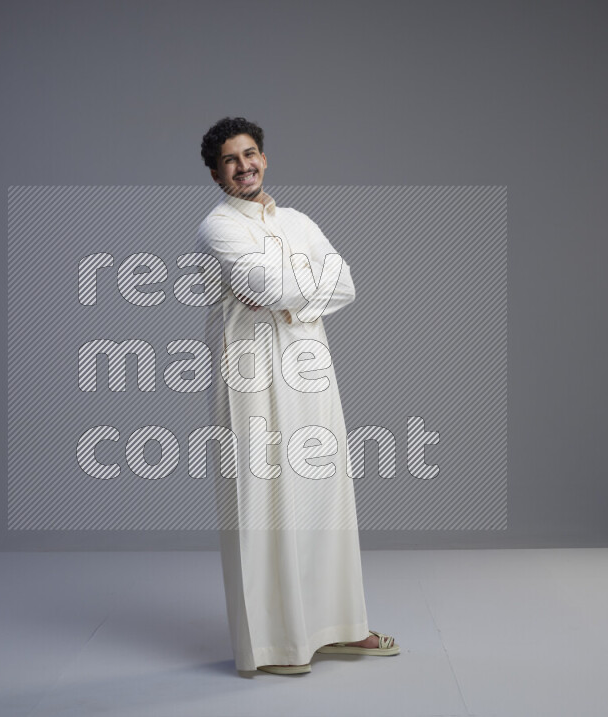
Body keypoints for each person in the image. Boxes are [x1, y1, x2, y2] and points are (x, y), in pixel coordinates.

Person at [197, 117, 400, 675]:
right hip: (250, 373)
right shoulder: (216, 226)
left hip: (309, 367)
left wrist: (290, 294)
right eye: (232, 160)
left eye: (252, 154)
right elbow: (262, 286)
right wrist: (302, 279)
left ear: (265, 158)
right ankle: (275, 646)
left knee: (323, 494)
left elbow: (347, 284)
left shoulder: (298, 220)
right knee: (261, 500)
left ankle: (338, 628)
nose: (245, 165)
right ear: (217, 173)